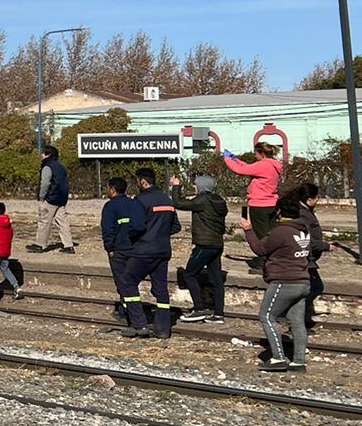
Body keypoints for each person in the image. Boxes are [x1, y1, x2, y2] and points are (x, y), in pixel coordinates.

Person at [242, 192, 325, 371]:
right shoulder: (304, 230)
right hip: (303, 281)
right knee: (297, 322)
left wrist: (248, 230)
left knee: (267, 316)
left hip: (284, 281)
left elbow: (260, 249)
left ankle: (278, 358)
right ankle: (299, 361)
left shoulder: (280, 231)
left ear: (279, 212)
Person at [120, 167, 180, 340]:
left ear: (142, 181)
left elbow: (137, 226)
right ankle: (163, 329)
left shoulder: (140, 200)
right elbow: (176, 227)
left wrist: (131, 237)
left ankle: (138, 324)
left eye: (138, 181)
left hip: (144, 250)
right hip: (163, 250)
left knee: (128, 282)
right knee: (161, 289)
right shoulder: (167, 200)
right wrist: (160, 234)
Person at [170, 173, 228, 323]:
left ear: (202, 187)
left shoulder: (202, 200)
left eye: (196, 185)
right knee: (216, 279)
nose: (194, 187)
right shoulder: (219, 200)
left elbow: (178, 203)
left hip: (204, 244)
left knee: (189, 274)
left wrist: (176, 186)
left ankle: (198, 309)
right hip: (217, 243)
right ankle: (219, 314)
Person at [222, 142, 285, 268]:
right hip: (272, 203)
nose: (254, 156)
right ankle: (276, 259)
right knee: (272, 233)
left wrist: (227, 159)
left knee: (261, 235)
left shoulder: (263, 165)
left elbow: (240, 170)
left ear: (261, 154)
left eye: (256, 153)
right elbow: (250, 168)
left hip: (259, 205)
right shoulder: (274, 165)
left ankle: (265, 263)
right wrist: (236, 159)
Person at [100, 176, 143, 322]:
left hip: (118, 250)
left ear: (112, 190)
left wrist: (109, 248)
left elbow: (108, 229)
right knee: (131, 281)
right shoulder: (135, 203)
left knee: (122, 282)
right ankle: (130, 309)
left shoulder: (110, 206)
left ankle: (128, 312)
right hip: (135, 248)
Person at [28, 146, 74, 253]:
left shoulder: (47, 167)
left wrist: (41, 197)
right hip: (61, 199)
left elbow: (45, 183)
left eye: (43, 153)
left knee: (44, 222)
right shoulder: (61, 167)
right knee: (63, 222)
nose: (41, 155)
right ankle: (68, 245)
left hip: (50, 198)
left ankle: (40, 245)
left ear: (48, 155)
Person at [296, 182, 327, 330]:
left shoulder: (306, 211)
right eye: (316, 197)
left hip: (309, 258)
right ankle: (297, 319)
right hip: (306, 259)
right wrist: (325, 246)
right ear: (309, 199)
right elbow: (307, 240)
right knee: (314, 288)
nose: (318, 200)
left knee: (310, 288)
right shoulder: (303, 214)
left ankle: (300, 319)